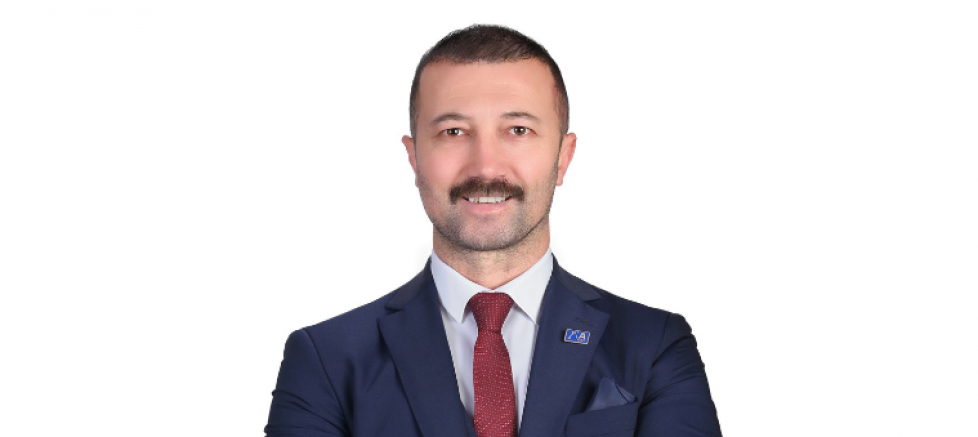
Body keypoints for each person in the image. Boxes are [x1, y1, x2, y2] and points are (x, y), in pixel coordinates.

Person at [265, 24, 722, 437]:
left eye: (518, 130)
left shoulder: (653, 344)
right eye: (453, 132)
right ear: (414, 158)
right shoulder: (326, 359)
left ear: (563, 158)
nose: (485, 167)